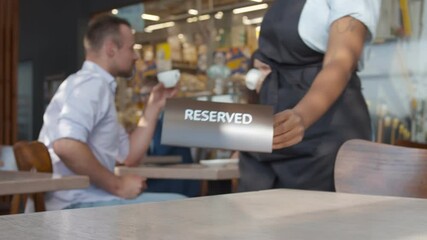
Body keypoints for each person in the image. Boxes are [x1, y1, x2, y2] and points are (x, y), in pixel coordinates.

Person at [38, 14, 185, 210]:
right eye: (131, 48)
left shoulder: (93, 85)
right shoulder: (91, 84)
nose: (136, 56)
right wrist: (118, 185)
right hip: (76, 207)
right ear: (111, 49)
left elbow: (129, 156)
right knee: (183, 206)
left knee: (181, 204)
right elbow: (66, 145)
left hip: (87, 201)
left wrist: (154, 105)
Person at [238, 0, 381, 192]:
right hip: (272, 134)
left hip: (322, 132)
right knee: (251, 213)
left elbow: (340, 62)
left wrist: (301, 116)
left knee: (311, 217)